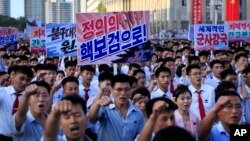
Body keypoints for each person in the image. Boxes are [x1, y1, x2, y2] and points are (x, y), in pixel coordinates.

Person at [88, 74, 145, 141]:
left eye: (127, 89)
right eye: (119, 89)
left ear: (131, 90)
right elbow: (91, 118)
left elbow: (141, 136)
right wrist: (97, 104)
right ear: (111, 90)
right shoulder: (105, 108)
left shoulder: (138, 113)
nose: (123, 93)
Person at [0, 65, 33, 141]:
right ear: (13, 76)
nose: (24, 82)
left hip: (22, 137)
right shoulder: (2, 92)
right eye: (21, 78)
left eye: (28, 80)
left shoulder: (31, 97)